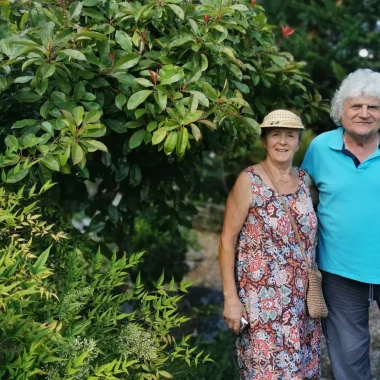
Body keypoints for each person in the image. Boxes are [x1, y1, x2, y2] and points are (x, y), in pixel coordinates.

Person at [219, 109, 321, 380]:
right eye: (276, 134)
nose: (283, 142)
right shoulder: (248, 181)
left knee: (301, 371)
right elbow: (227, 239)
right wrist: (231, 298)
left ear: (299, 142)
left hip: (302, 305)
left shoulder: (304, 181)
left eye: (290, 135)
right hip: (262, 305)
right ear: (264, 140)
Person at [301, 68, 380, 380]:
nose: (364, 113)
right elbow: (304, 197)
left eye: (373, 106)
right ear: (340, 110)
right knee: (348, 359)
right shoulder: (321, 148)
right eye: (355, 106)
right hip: (339, 270)